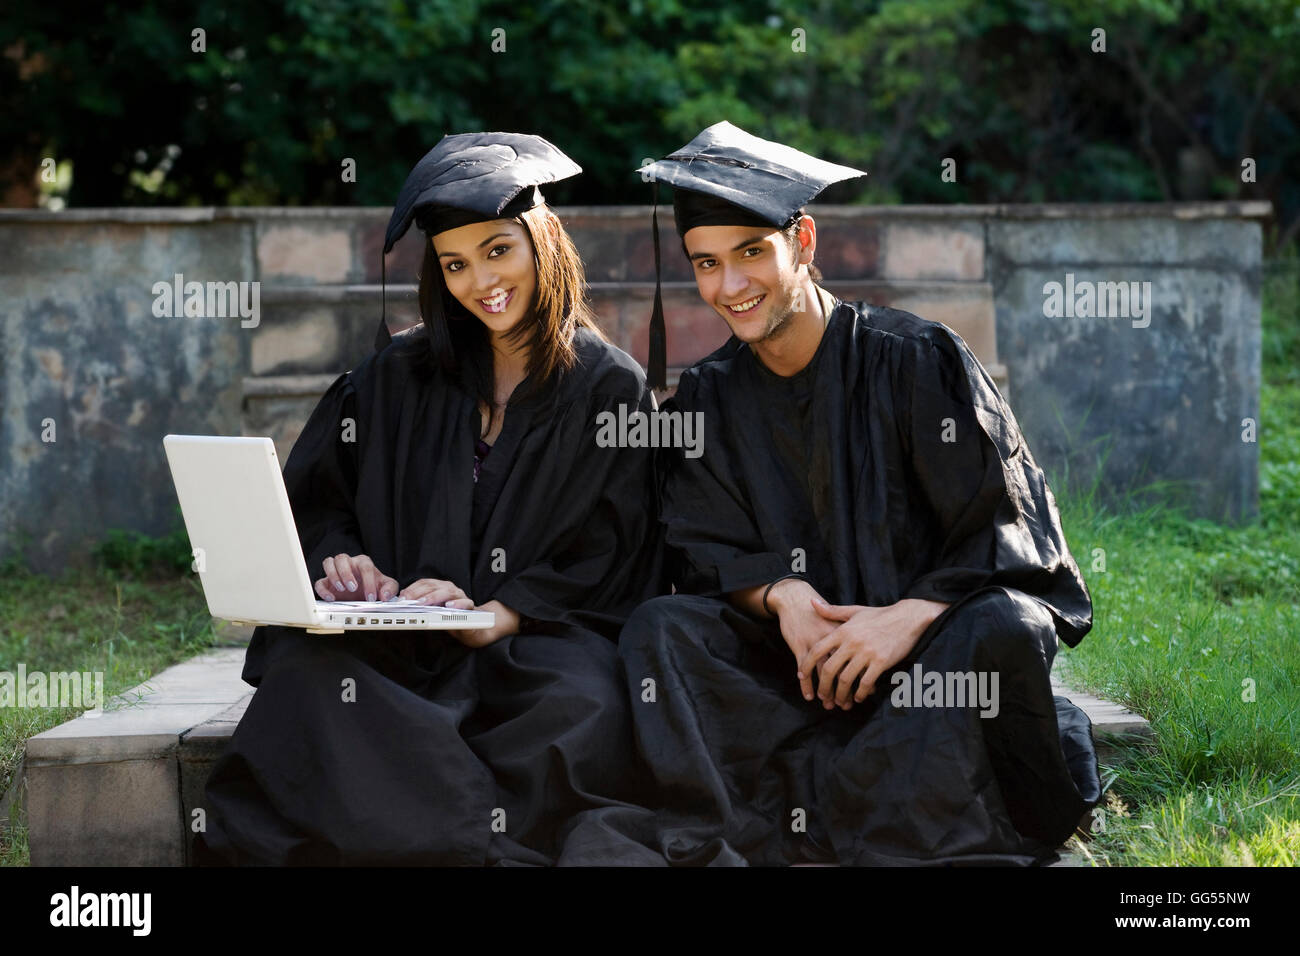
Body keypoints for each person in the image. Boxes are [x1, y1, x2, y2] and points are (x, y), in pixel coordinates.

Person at [617, 121, 1102, 866]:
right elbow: (703, 548)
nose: (729, 286)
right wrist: (782, 596)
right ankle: (865, 798)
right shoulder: (706, 402)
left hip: (927, 668)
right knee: (661, 628)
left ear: (802, 242)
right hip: (799, 678)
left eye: (752, 253)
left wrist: (904, 619)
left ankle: (840, 809)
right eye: (706, 264)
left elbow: (1012, 530)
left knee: (1005, 626)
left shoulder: (917, 363)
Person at [195, 132, 664, 866]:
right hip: (399, 644)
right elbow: (319, 505)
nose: (481, 280)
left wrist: (501, 612)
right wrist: (345, 563)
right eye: (455, 263)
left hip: (526, 645)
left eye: (498, 250)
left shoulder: (608, 387)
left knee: (585, 705)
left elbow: (618, 551)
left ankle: (421, 826)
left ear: (543, 243)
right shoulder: (396, 377)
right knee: (308, 677)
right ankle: (455, 835)